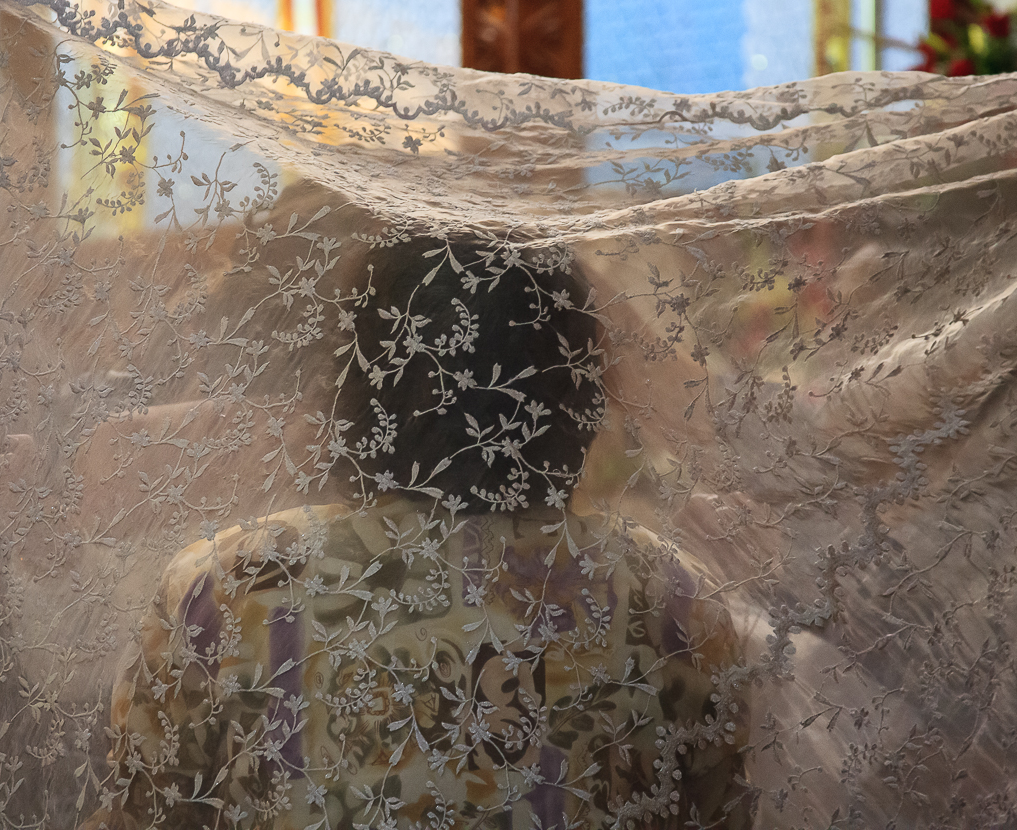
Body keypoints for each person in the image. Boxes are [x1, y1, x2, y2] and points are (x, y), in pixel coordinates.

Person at [83, 232, 752, 830]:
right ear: (574, 397)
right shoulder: (674, 606)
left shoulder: (228, 586)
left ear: (359, 386)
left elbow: (142, 814)